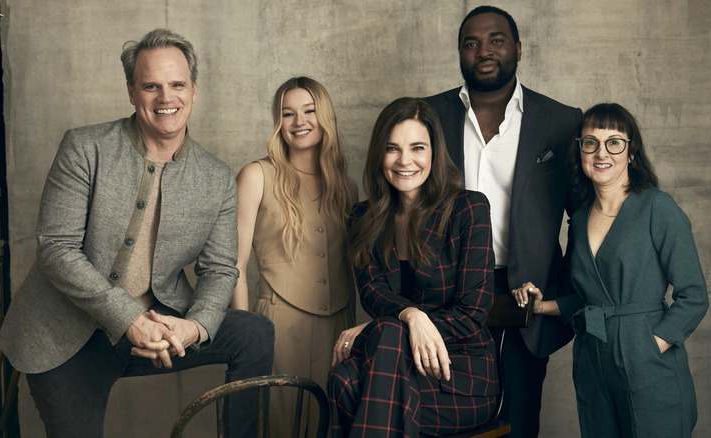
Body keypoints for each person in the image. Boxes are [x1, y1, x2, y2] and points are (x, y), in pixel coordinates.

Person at [0, 28, 274, 438]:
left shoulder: (215, 178)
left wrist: (193, 327)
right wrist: (128, 318)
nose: (166, 98)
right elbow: (56, 249)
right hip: (67, 335)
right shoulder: (84, 147)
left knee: (254, 332)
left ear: (194, 90)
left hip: (159, 324)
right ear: (131, 91)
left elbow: (219, 270)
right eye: (151, 86)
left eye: (177, 84)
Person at [424, 6, 581, 436]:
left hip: (525, 296)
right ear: (460, 53)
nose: (484, 50)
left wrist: (563, 290)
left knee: (519, 422)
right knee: (445, 419)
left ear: (517, 48)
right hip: (447, 294)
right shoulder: (428, 115)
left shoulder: (561, 120)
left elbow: (583, 217)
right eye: (471, 43)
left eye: (496, 39)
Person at [514, 103, 709, 437]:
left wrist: (651, 346)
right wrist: (537, 303)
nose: (601, 152)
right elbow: (587, 299)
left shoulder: (657, 208)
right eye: (590, 142)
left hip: (645, 356)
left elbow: (694, 296)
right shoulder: (579, 218)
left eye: (614, 142)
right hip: (592, 357)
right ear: (580, 151)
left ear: (631, 153)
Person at [328, 97, 498, 437]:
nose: (405, 161)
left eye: (417, 147)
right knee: (345, 379)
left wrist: (382, 327)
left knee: (350, 378)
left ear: (434, 152)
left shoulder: (469, 209)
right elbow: (373, 294)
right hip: (392, 365)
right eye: (392, 148)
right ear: (379, 154)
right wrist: (411, 316)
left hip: (457, 374)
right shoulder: (363, 217)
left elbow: (472, 312)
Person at [233, 76, 361, 437]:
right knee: (274, 426)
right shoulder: (256, 175)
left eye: (309, 110)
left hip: (339, 328)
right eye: (287, 113)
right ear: (278, 122)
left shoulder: (346, 186)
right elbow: (235, 266)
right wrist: (245, 336)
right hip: (277, 325)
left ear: (326, 117)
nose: (299, 121)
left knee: (330, 426)